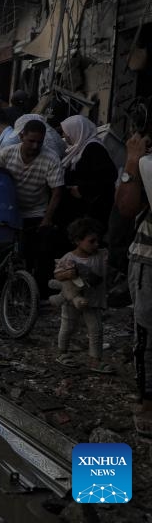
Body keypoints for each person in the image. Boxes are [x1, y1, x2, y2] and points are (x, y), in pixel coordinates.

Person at [0, 119, 64, 293]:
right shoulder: (6, 153)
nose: (34, 146)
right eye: (30, 141)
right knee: (1, 250)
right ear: (21, 136)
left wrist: (47, 219)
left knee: (40, 252)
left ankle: (38, 293)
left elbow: (57, 191)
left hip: (36, 211)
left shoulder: (51, 158)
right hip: (9, 209)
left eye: (39, 142)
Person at [115, 131, 152, 436]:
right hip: (149, 259)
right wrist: (133, 163)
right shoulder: (145, 164)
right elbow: (126, 208)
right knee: (148, 334)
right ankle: (146, 400)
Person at [51, 217, 112, 373]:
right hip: (73, 301)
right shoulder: (69, 258)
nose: (96, 244)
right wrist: (68, 273)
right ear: (78, 240)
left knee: (96, 329)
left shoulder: (101, 255)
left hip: (93, 300)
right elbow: (57, 275)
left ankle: (95, 361)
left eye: (97, 241)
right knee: (68, 326)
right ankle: (62, 353)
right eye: (91, 241)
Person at [57, 115, 116, 226]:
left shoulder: (94, 148)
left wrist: (83, 190)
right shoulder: (80, 149)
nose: (64, 135)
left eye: (66, 131)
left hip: (94, 210)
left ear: (76, 130)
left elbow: (107, 176)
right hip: (84, 209)